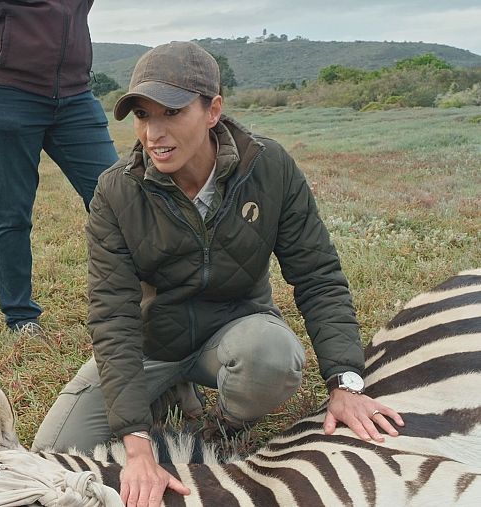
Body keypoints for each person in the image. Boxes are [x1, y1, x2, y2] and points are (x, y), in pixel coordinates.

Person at [31, 41, 404, 506]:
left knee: (271, 356)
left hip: (237, 327)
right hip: (155, 342)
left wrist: (345, 383)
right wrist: (137, 442)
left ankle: (225, 423)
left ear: (213, 111)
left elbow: (318, 275)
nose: (153, 133)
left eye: (171, 112)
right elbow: (113, 317)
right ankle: (168, 393)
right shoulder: (116, 191)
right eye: (143, 116)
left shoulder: (269, 169)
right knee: (53, 454)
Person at [0, 0, 119, 332]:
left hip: (75, 93)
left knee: (119, 198)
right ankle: (21, 317)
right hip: (5, 92)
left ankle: (136, 299)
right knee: (13, 212)